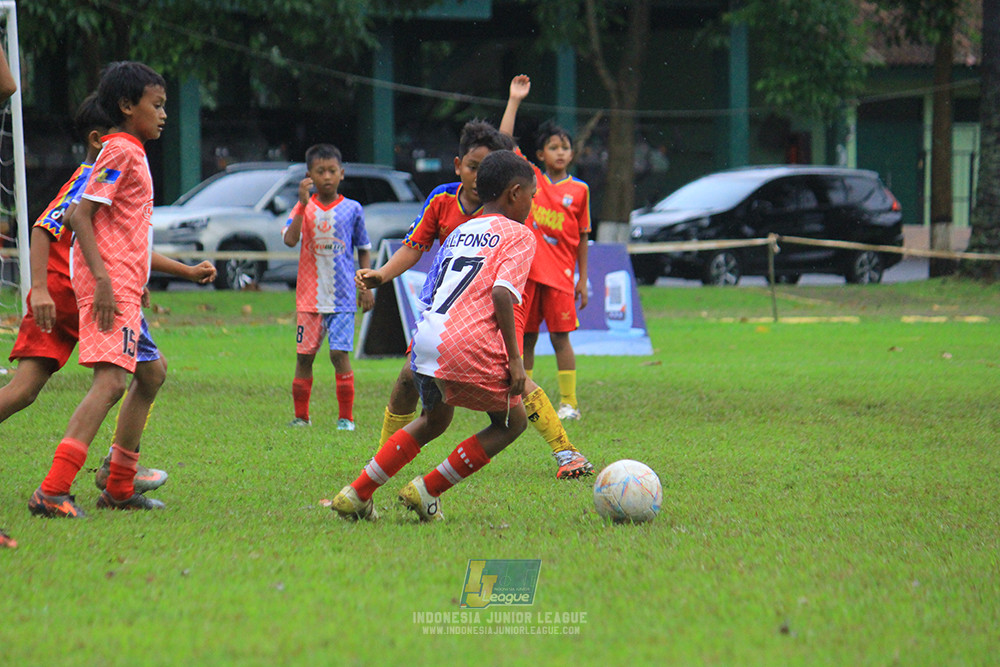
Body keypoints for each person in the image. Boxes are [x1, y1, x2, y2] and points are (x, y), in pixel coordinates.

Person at [356, 121, 593, 479]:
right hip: (451, 315)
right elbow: (413, 247)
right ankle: (385, 457)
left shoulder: (509, 216)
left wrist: (513, 104)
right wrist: (383, 275)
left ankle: (565, 450)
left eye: (485, 168)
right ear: (457, 165)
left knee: (516, 384)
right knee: (408, 380)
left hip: (495, 309)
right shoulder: (442, 200)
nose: (478, 176)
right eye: (472, 167)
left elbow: (509, 156)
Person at [1, 93, 213, 489]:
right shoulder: (95, 174)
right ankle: (84, 483)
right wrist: (42, 290)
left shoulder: (117, 168)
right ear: (102, 137)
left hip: (94, 292)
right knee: (82, 385)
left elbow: (126, 241)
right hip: (71, 299)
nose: (163, 114)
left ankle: (120, 475)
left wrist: (169, 273)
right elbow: (47, 226)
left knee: (149, 372)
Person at [332, 149, 537, 522]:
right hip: (468, 343)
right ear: (515, 193)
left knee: (435, 420)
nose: (531, 206)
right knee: (512, 422)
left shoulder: (459, 232)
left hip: (428, 340)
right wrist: (516, 360)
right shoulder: (519, 235)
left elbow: (429, 293)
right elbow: (503, 293)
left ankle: (356, 493)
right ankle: (427, 488)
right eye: (531, 197)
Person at [27, 61, 179, 517]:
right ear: (127, 106)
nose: (163, 114)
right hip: (108, 288)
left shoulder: (131, 150)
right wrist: (107, 280)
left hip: (127, 287)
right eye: (157, 105)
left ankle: (118, 487)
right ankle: (52, 490)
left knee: (151, 373)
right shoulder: (121, 151)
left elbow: (123, 225)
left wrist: (139, 278)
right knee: (111, 382)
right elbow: (78, 217)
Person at [501, 74, 591, 422]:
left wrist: (582, 279)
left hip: (561, 277)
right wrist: (514, 100)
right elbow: (505, 142)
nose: (560, 152)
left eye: (565, 147)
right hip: (529, 276)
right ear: (540, 154)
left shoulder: (580, 190)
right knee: (525, 341)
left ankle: (569, 402)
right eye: (553, 147)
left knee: (561, 339)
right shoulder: (531, 179)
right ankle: (524, 399)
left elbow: (583, 235)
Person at [282, 143, 373, 431]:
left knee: (339, 355)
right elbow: (289, 240)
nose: (326, 177)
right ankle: (301, 417)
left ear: (342, 173)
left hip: (343, 296)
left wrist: (366, 286)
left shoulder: (352, 209)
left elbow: (364, 248)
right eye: (320, 171)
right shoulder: (302, 207)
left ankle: (346, 418)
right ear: (309, 175)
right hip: (309, 298)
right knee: (304, 356)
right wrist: (302, 205)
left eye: (332, 171)